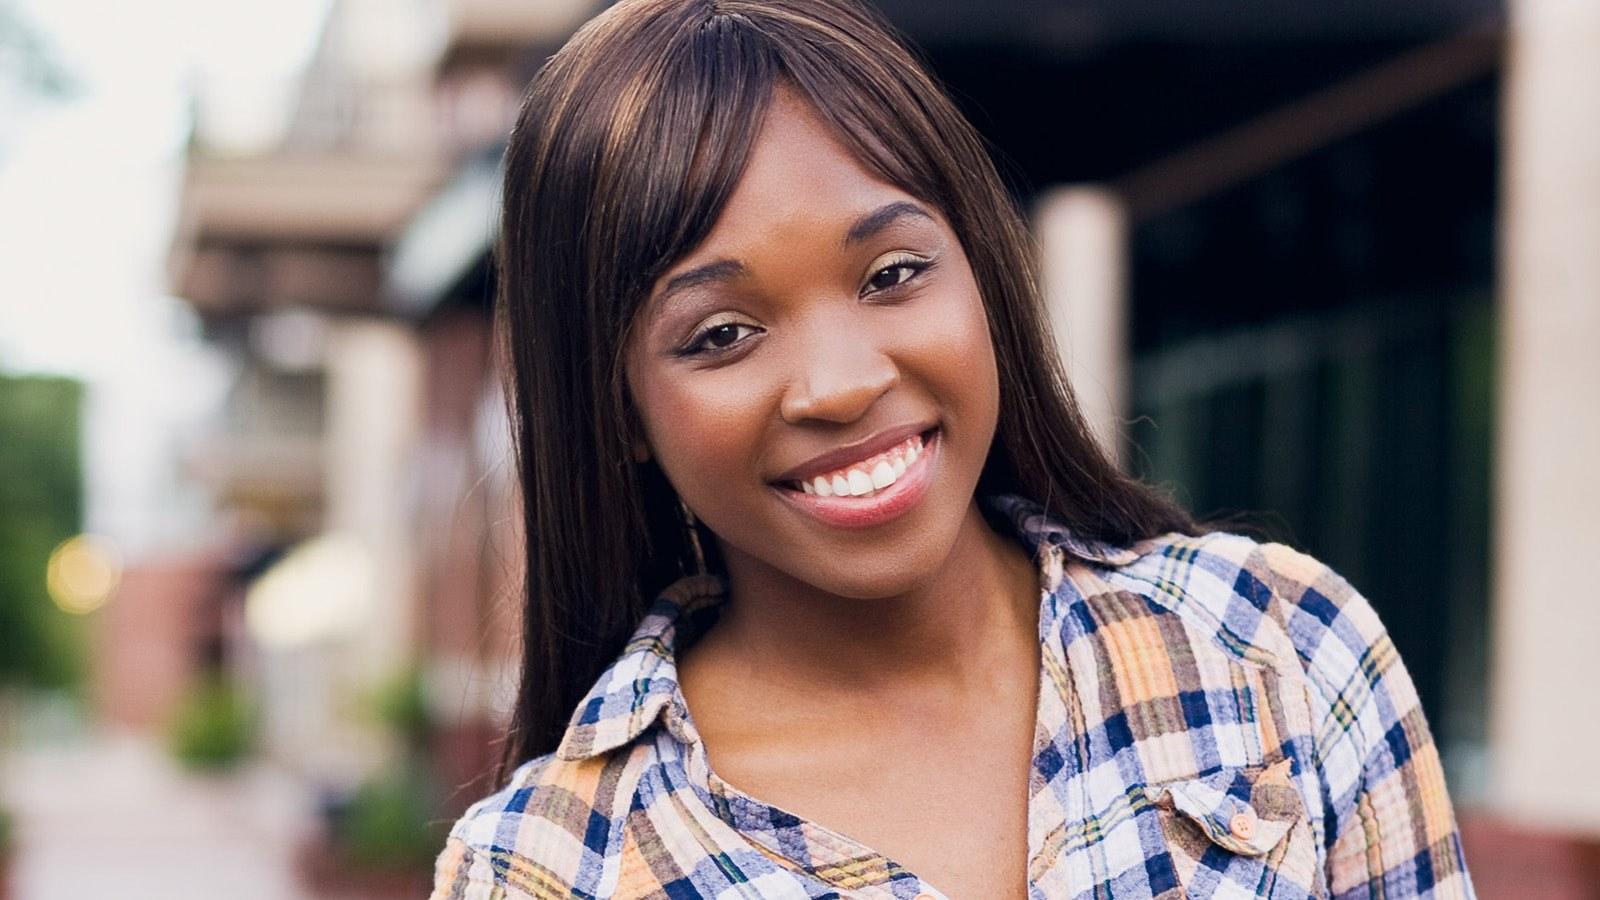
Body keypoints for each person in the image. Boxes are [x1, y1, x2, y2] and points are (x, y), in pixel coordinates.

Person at [431, 0, 1475, 896]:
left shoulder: (1276, 646)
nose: (842, 383)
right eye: (722, 335)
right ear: (616, 411)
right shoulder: (548, 866)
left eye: (891, 274)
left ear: (983, 271)